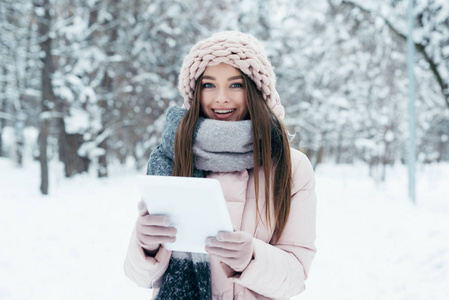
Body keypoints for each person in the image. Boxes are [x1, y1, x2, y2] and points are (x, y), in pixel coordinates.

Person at [124, 31, 317, 300]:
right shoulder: (172, 158)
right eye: (209, 85)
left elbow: (295, 277)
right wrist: (145, 245)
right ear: (195, 92)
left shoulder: (290, 167)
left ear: (257, 91)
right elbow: (140, 277)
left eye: (236, 85)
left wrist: (251, 257)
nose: (221, 98)